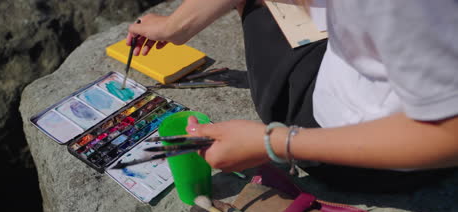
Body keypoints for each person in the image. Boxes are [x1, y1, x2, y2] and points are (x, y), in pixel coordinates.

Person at [128, 0, 458, 192]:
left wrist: (274, 142)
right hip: (359, 75)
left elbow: (449, 132)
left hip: (367, 147)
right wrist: (175, 26)